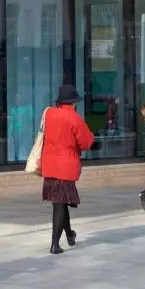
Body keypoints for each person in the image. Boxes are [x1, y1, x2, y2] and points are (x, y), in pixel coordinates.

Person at [41, 84, 95, 255]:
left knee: (60, 202)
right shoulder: (74, 117)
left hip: (49, 163)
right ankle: (55, 244)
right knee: (59, 204)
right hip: (66, 165)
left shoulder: (49, 113)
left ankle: (70, 234)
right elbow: (86, 143)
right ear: (73, 102)